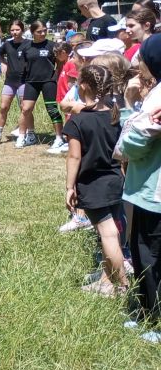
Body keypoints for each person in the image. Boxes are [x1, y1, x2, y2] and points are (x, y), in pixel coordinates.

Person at [63, 64, 126, 297]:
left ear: (83, 85)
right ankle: (107, 283)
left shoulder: (77, 122)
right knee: (111, 234)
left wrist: (69, 187)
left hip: (92, 186)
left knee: (108, 235)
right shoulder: (114, 115)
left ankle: (124, 286)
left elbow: (74, 157)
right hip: (116, 181)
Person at [117, 35, 161, 327]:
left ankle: (153, 320)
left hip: (151, 190)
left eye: (142, 57)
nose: (138, 63)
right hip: (150, 189)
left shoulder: (158, 95)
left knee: (149, 255)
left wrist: (128, 105)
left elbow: (132, 145)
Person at [19, 21, 63, 152]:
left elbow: (60, 63)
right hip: (31, 82)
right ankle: (25, 136)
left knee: (52, 109)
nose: (43, 33)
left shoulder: (52, 45)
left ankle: (59, 138)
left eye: (44, 30)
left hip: (48, 81)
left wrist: (56, 77)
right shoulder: (26, 47)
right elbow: (24, 66)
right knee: (26, 109)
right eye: (39, 31)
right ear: (32, 32)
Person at [0, 19, 27, 146]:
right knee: (3, 107)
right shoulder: (7, 44)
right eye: (12, 30)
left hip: (24, 80)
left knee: (24, 108)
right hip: (10, 80)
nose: (14, 32)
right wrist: (4, 64)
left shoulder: (28, 44)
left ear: (22, 30)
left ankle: (23, 134)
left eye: (17, 30)